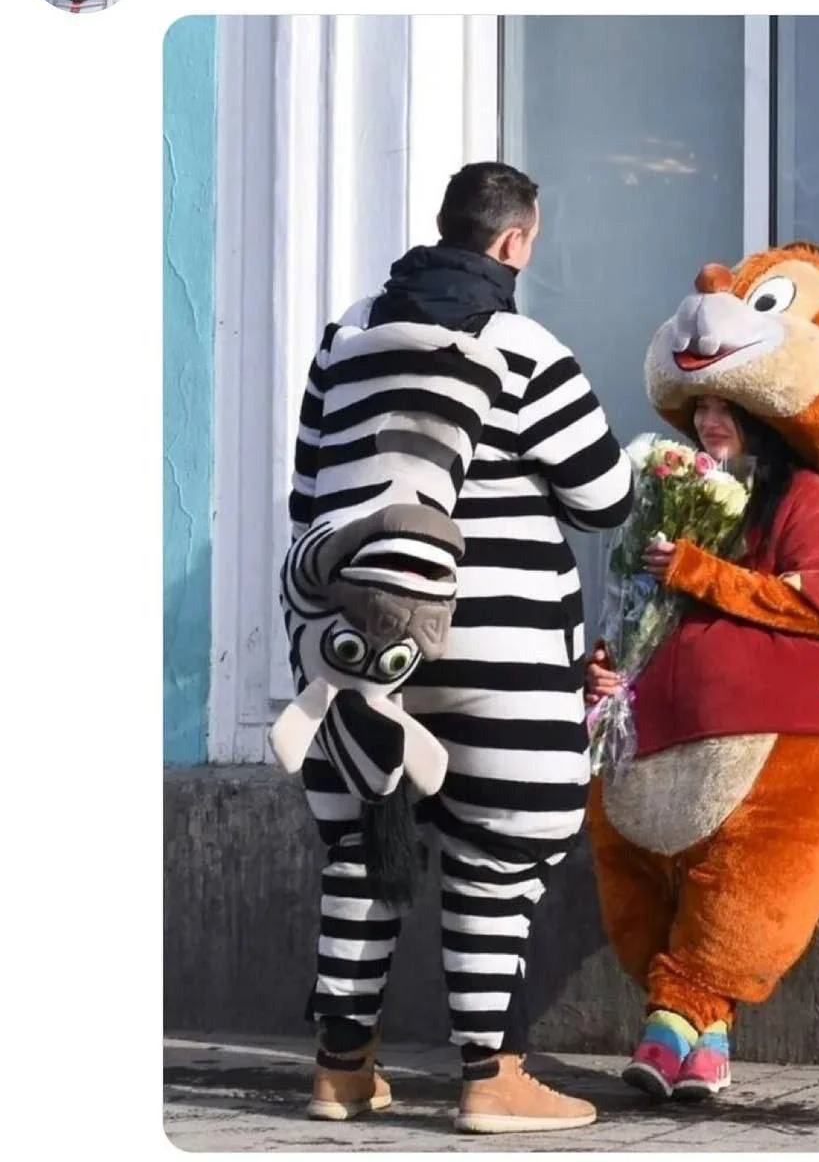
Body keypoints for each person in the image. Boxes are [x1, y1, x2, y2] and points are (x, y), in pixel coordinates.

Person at [287, 162, 633, 1133]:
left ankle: (340, 1071)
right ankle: (492, 1076)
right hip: (498, 645)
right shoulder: (524, 347)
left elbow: (307, 492)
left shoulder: (346, 334)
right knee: (496, 858)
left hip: (354, 646)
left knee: (360, 850)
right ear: (515, 241)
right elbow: (604, 500)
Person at [584, 243, 819, 1101]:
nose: (712, 421)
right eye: (705, 407)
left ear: (763, 415)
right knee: (639, 892)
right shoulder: (669, 493)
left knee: (745, 895)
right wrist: (604, 671)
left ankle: (671, 1026)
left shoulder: (802, 499)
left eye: (729, 407)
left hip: (771, 745)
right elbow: (628, 613)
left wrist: (700, 571)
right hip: (655, 745)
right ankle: (708, 1044)